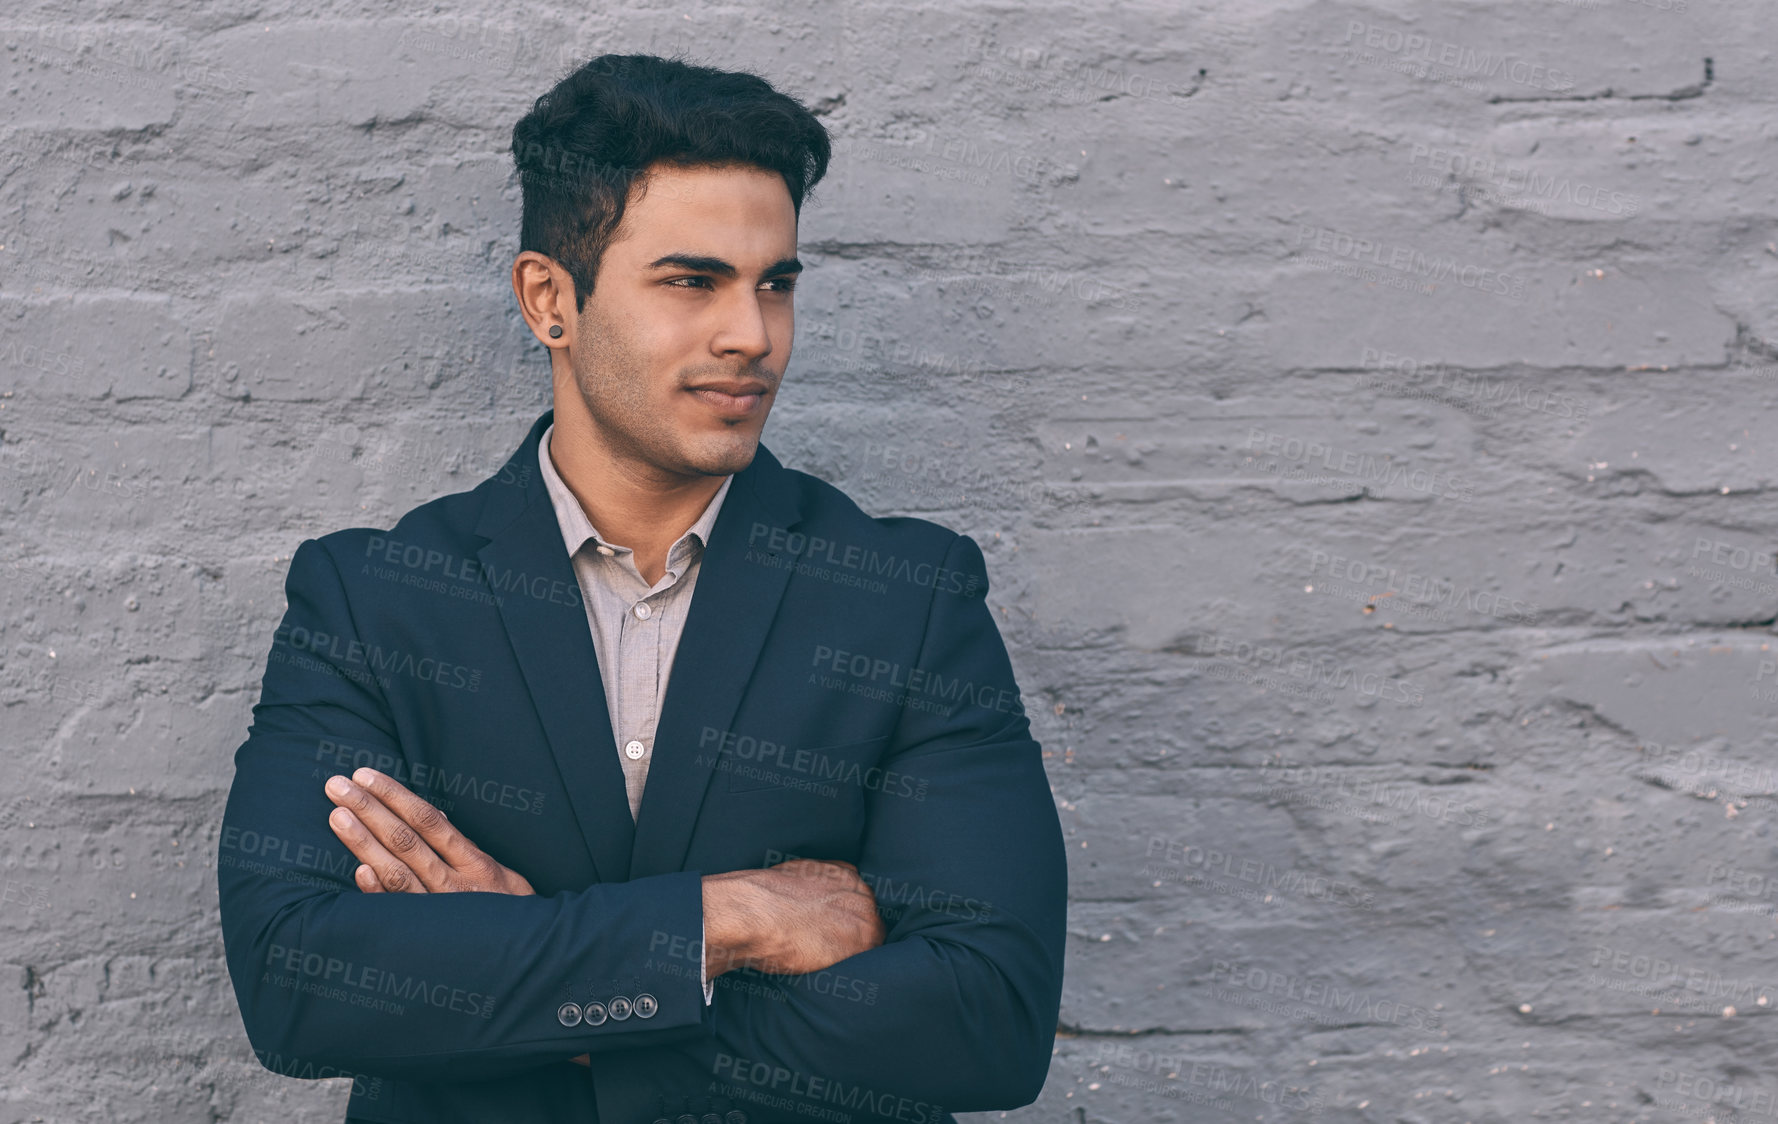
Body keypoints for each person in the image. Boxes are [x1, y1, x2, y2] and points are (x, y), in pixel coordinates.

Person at [216, 52, 1066, 1124]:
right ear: (547, 300)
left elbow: (986, 1019)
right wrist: (729, 919)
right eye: (691, 281)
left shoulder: (906, 598)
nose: (751, 335)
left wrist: (535, 981)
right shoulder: (375, 600)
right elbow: (302, 982)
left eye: (776, 283)